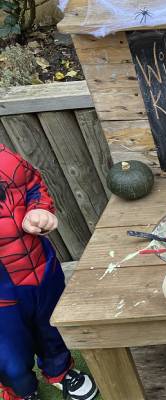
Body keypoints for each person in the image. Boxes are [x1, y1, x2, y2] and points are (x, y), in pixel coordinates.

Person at [0, 145, 98, 400]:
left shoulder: (6, 158)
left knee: (52, 326)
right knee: (8, 351)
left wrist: (39, 209)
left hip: (42, 268)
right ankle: (22, 391)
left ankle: (60, 370)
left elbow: (33, 183)